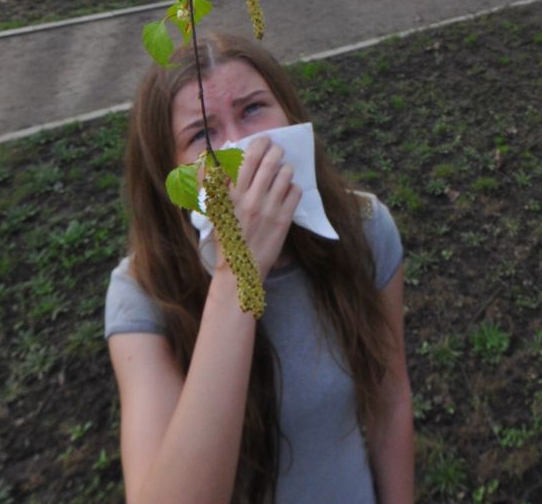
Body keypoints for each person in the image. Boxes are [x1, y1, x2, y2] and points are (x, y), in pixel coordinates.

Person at [105, 35, 413, 504]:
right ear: (172, 179)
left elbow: (390, 399)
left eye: (252, 109)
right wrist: (237, 273)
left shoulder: (365, 229)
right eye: (202, 134)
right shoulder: (142, 293)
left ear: (290, 114)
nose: (241, 145)